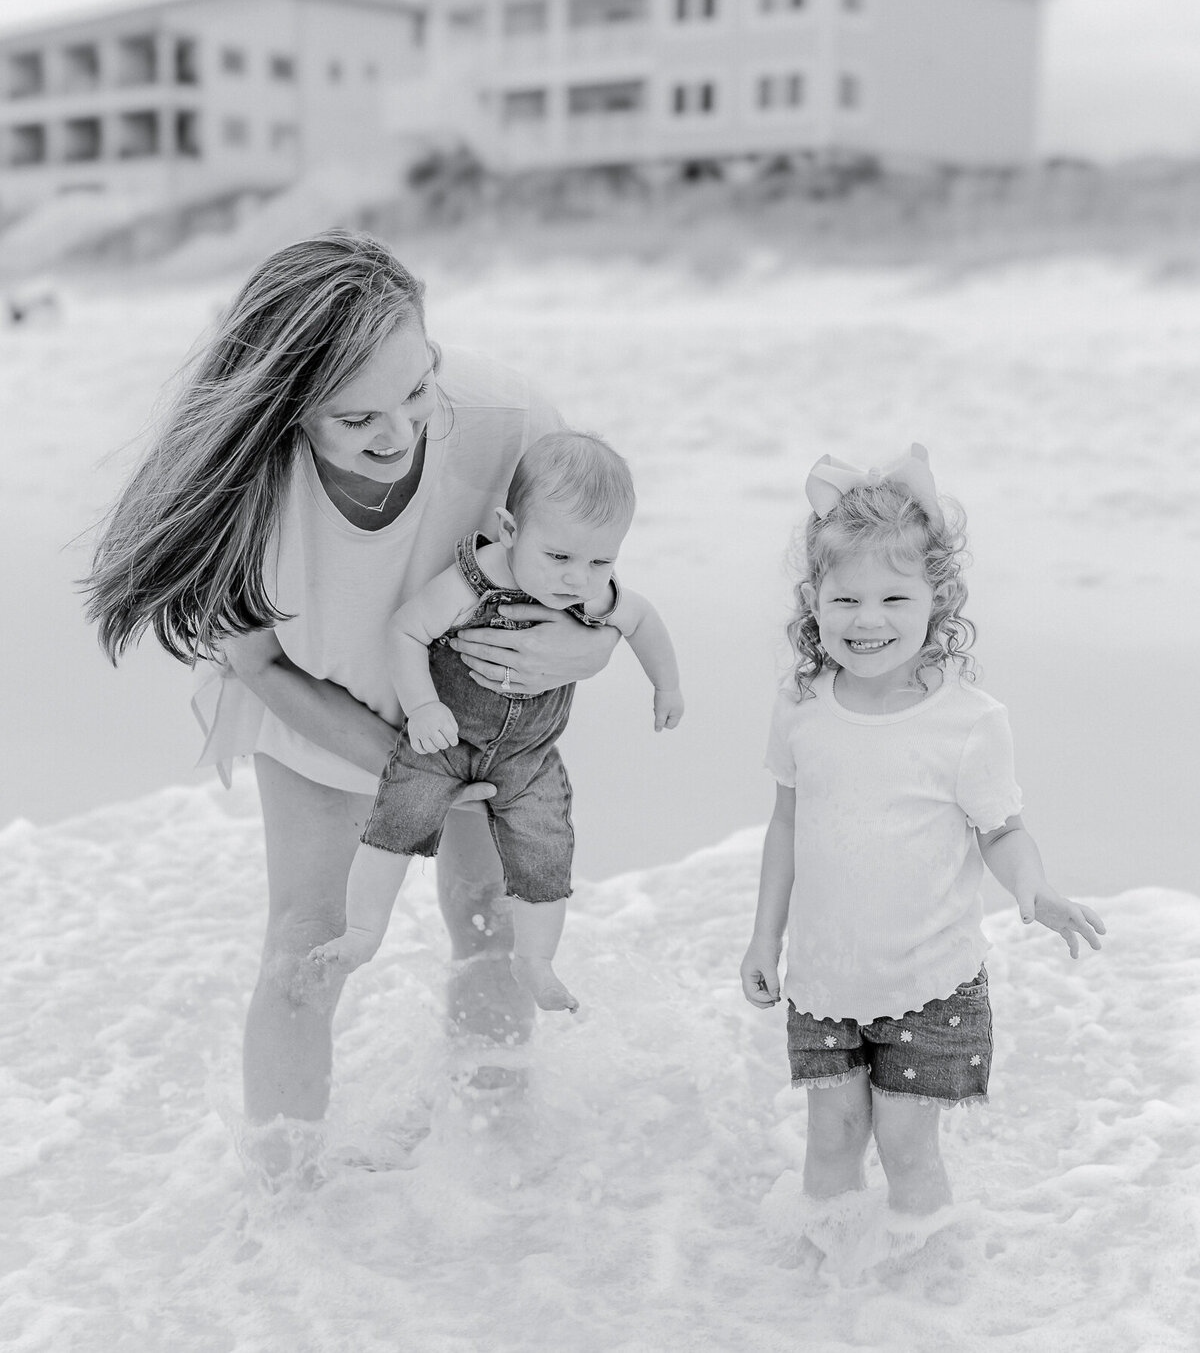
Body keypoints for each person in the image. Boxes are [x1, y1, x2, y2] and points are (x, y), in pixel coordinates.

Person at [84, 230, 620, 1163]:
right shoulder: (234, 493)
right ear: (289, 407)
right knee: (305, 944)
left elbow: (586, 577)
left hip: (470, 701)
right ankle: (282, 1202)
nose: (399, 430)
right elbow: (262, 670)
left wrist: (589, 644)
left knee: (486, 912)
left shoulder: (510, 417)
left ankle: (497, 1151)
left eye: (417, 388)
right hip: (316, 696)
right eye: (354, 415)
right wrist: (419, 770)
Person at [739, 444, 1105, 1223]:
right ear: (814, 600)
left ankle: (923, 1305)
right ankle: (826, 1301)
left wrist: (1031, 887)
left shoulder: (969, 721)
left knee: (907, 1149)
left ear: (937, 598)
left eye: (894, 599)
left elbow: (1001, 830)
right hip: (824, 979)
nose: (868, 620)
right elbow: (786, 825)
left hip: (929, 983)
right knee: (830, 1144)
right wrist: (763, 942)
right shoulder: (802, 704)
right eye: (845, 601)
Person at [310, 430, 684, 1013]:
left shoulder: (591, 592)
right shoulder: (471, 580)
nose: (576, 578)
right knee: (397, 820)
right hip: (445, 741)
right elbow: (406, 630)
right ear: (511, 531)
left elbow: (642, 620)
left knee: (545, 848)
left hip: (528, 759)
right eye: (558, 557)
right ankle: (363, 932)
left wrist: (666, 684)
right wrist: (423, 707)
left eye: (601, 560)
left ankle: (535, 961)